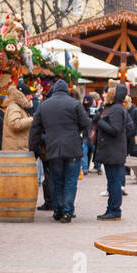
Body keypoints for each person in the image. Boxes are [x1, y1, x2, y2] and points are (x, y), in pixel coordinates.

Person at [28, 79, 90, 222]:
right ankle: (68, 212)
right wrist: (77, 132)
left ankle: (58, 210)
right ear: (66, 91)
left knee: (57, 181)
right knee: (70, 181)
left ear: (54, 90)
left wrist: (34, 149)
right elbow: (86, 123)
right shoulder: (75, 104)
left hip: (53, 148)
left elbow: (35, 129)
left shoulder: (44, 106)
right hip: (73, 148)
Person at [94, 84, 130, 221]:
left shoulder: (116, 109)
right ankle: (112, 208)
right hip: (114, 151)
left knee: (114, 181)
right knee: (112, 181)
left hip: (113, 152)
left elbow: (115, 129)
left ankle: (114, 210)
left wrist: (99, 122)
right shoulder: (117, 108)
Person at [1, 83, 34, 151]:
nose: (31, 97)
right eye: (29, 95)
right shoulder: (14, 106)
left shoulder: (19, 107)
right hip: (15, 151)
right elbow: (15, 124)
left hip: (17, 150)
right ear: (22, 95)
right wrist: (32, 119)